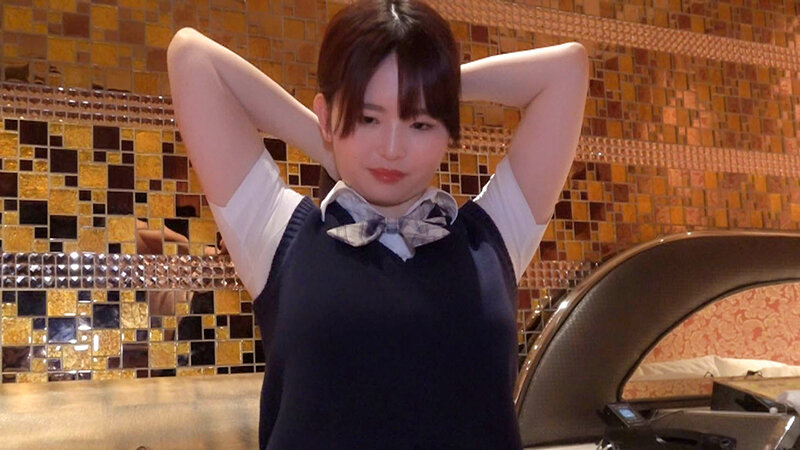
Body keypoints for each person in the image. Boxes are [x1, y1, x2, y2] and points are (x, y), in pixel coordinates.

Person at [166, 0, 588, 447]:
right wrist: (327, 142)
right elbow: (192, 57)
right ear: (327, 115)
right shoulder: (279, 238)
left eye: (420, 122)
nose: (391, 148)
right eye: (367, 118)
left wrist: (434, 82)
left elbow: (567, 69)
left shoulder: (492, 238)